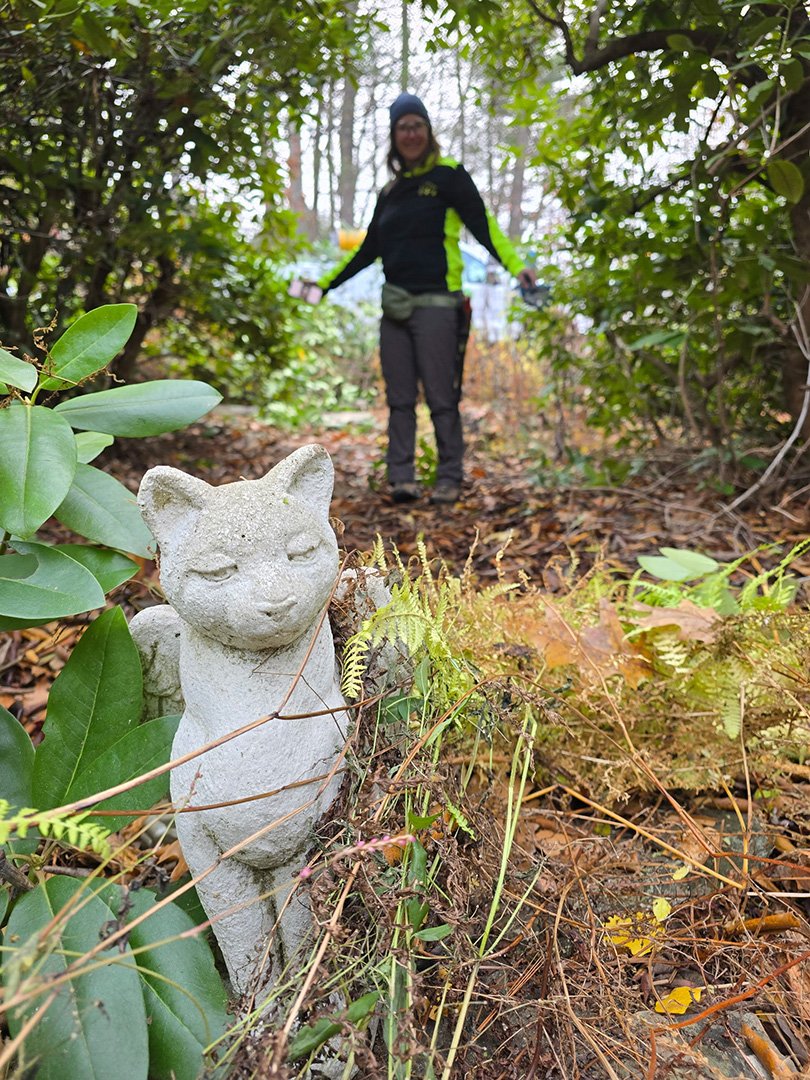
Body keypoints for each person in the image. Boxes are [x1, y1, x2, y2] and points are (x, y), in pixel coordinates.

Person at [316, 92, 537, 505]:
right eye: (403, 127)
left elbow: (485, 227)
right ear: (394, 136)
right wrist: (324, 284)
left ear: (429, 131)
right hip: (395, 307)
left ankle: (449, 477)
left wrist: (516, 266)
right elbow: (367, 250)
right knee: (399, 399)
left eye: (417, 125)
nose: (411, 134)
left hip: (438, 306)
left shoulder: (450, 176)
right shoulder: (391, 191)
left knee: (441, 397)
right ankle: (401, 478)